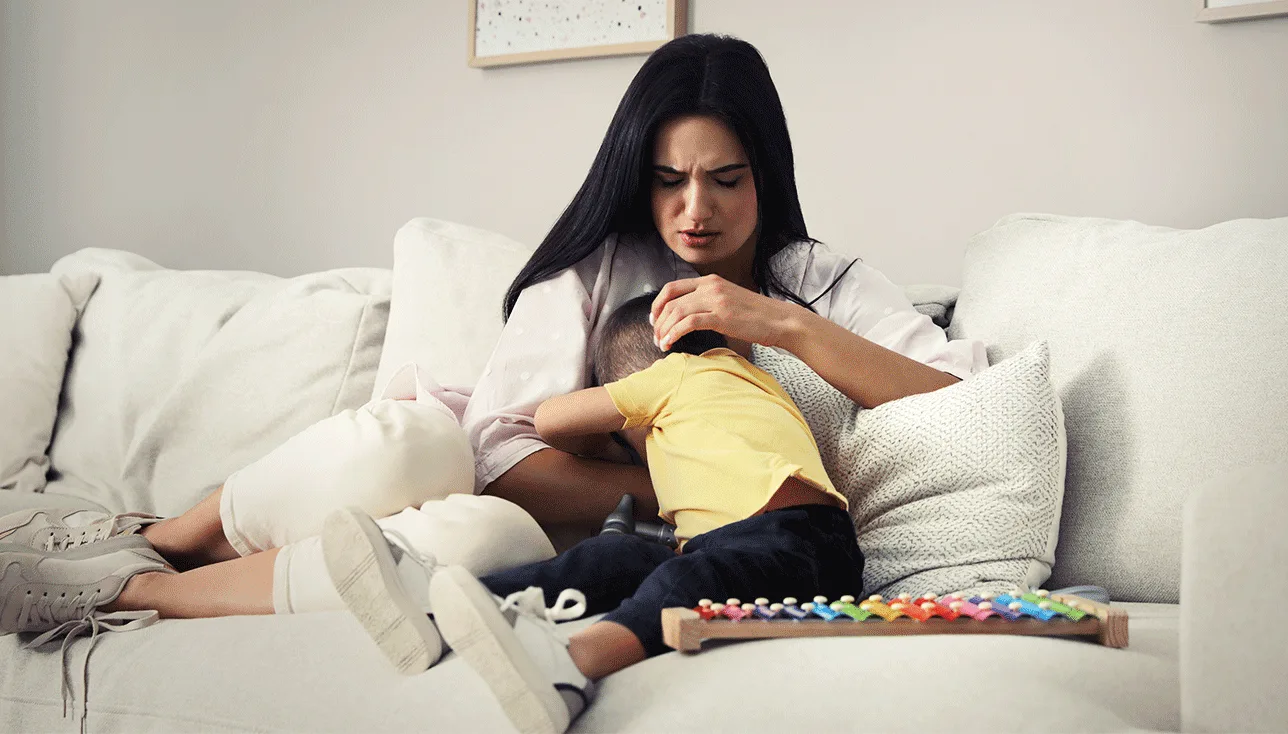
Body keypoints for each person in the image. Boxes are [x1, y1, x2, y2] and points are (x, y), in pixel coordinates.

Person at [1, 28, 984, 698]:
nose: (696, 210)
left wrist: (779, 322)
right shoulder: (602, 264)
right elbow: (507, 446)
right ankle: (155, 535)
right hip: (487, 468)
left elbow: (958, 404)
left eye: (726, 180)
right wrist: (679, 469)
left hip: (578, 536)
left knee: (466, 557)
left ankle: (133, 595)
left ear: (766, 175)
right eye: (670, 180)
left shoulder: (820, 282)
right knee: (408, 445)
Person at [332, 289, 865, 732]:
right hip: (750, 544)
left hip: (798, 541)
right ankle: (450, 605)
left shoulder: (677, 374)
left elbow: (550, 421)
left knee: (691, 579)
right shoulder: (756, 389)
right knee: (618, 556)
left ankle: (573, 665)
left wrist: (611, 436)